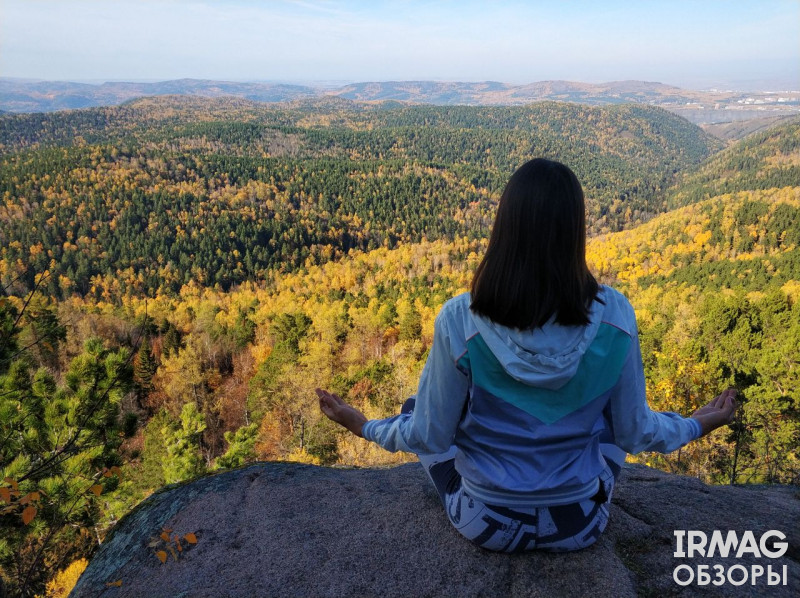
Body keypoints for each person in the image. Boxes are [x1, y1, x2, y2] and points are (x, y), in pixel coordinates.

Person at [316, 157, 737, 553]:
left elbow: (430, 437)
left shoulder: (461, 319)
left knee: (414, 411)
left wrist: (365, 426)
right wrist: (695, 425)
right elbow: (635, 434)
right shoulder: (615, 317)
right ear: (576, 231)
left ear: (505, 228)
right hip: (581, 525)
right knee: (609, 421)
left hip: (486, 523)